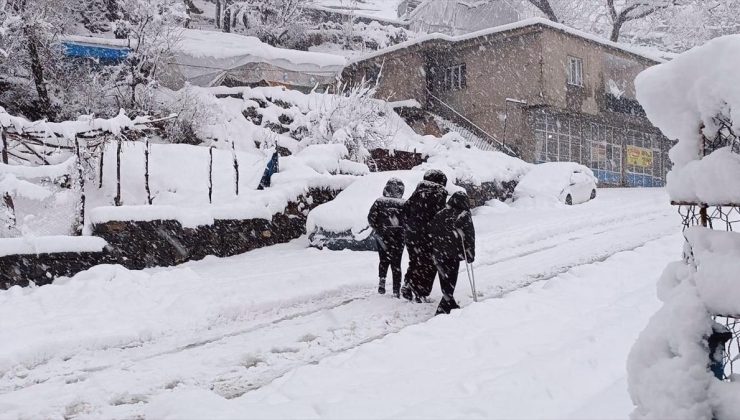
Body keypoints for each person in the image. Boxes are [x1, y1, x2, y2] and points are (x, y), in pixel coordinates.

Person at [401, 169, 448, 302]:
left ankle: (409, 284)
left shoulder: (418, 191)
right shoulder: (439, 193)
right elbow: (440, 216)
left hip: (411, 235)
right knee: (428, 264)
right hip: (428, 235)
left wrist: (410, 227)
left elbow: (405, 210)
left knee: (415, 260)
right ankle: (420, 292)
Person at [431, 191, 476, 315]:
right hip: (453, 254)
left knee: (444, 278)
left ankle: (450, 304)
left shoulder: (440, 214)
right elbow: (469, 235)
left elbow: (432, 232)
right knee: (451, 278)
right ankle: (443, 308)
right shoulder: (464, 215)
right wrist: (470, 253)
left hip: (439, 253)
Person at [367, 178, 406, 298]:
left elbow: (371, 217)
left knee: (383, 260)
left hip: (382, 237)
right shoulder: (404, 203)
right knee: (396, 264)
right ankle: (396, 290)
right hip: (398, 238)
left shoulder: (379, 201)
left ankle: (382, 282)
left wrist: (378, 229)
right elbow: (409, 220)